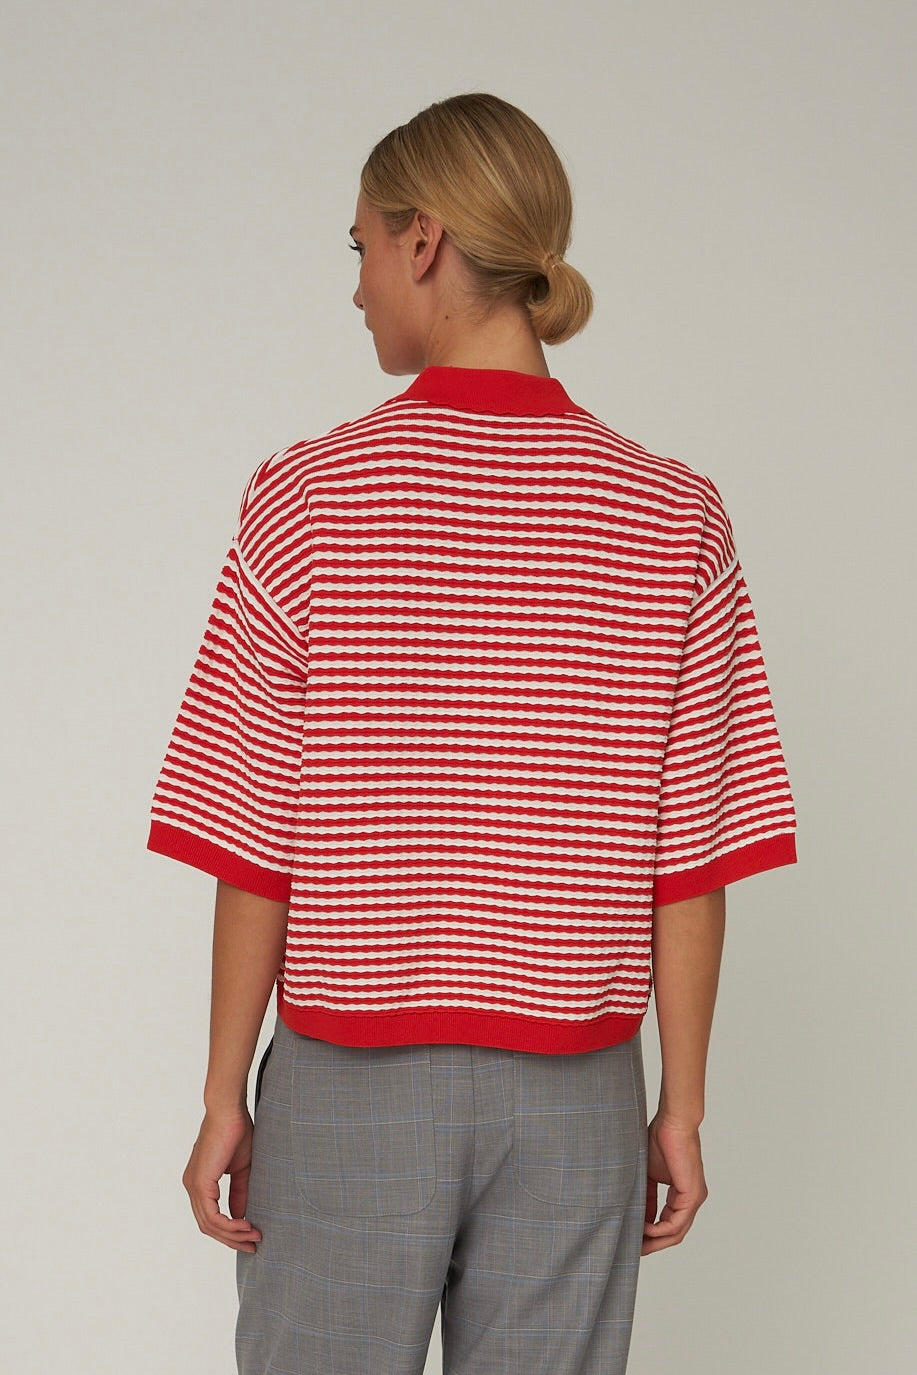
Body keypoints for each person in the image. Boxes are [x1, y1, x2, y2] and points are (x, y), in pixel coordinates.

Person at [148, 92, 797, 1375]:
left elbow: (250, 831)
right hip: (577, 1096)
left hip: (349, 1078)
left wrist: (224, 1093)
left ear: (424, 240)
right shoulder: (674, 516)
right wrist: (679, 1106)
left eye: (359, 248)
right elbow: (694, 851)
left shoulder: (307, 495)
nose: (355, 287)